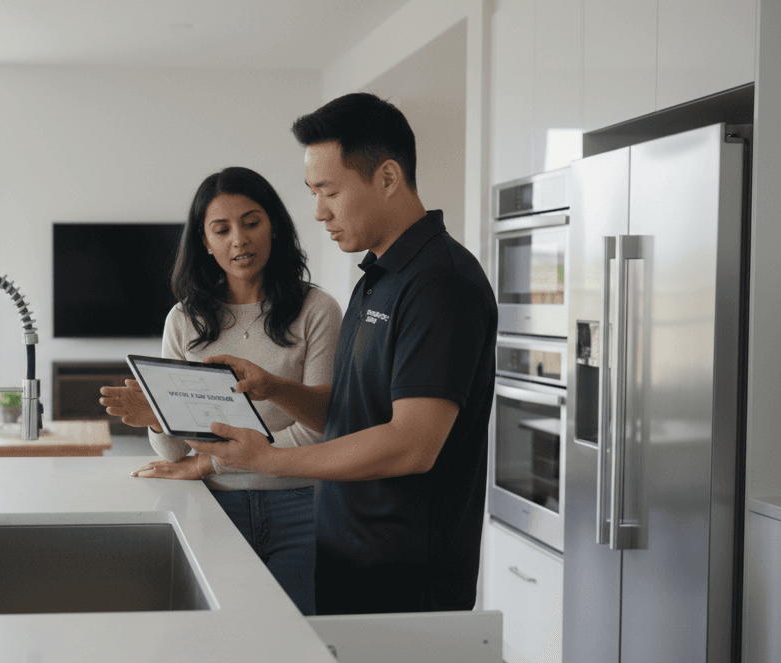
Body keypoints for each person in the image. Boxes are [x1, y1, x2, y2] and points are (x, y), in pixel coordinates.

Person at [187, 93, 497, 614]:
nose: (318, 212)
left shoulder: (440, 283)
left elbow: (411, 444)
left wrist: (272, 460)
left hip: (403, 577)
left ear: (388, 177)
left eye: (329, 191)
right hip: (347, 556)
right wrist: (276, 388)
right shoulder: (378, 278)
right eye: (313, 192)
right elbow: (353, 415)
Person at [99, 167, 342, 615]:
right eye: (222, 229)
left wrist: (209, 461)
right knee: (221, 642)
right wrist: (157, 417)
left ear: (276, 228)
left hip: (301, 507)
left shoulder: (318, 310)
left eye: (252, 223)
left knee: (296, 642)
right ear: (205, 242)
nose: (239, 240)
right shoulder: (184, 320)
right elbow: (174, 454)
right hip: (213, 508)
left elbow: (321, 430)